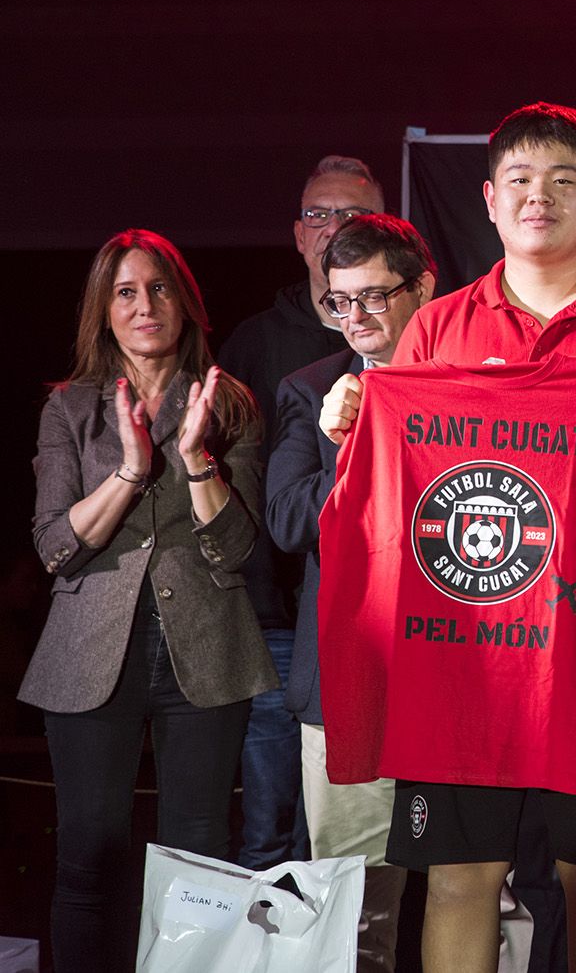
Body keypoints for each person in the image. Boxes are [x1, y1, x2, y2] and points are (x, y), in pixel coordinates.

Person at [318, 101, 576, 973]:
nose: (541, 198)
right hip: (460, 656)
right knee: (460, 881)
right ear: (489, 200)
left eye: (565, 182)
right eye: (522, 181)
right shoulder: (440, 327)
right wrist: (356, 424)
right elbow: (394, 501)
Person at [26, 229, 276, 970]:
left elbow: (236, 550)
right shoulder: (69, 408)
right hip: (89, 653)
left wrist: (195, 459)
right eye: (126, 292)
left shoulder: (229, 401)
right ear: (103, 310)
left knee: (201, 858)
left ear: (187, 302)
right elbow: (55, 547)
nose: (144, 306)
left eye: (160, 288)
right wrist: (132, 470)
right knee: (89, 853)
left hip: (207, 651)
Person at [265, 213, 436, 972]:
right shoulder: (310, 392)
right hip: (347, 690)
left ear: (422, 289)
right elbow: (289, 521)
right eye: (340, 302)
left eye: (374, 297)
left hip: (460, 677)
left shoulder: (472, 385)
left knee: (490, 898)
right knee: (359, 909)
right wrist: (345, 448)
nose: (357, 319)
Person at [220, 154, 386, 870]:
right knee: (273, 834)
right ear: (297, 234)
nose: (334, 228)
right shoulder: (260, 346)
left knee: (366, 848)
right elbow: (238, 491)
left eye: (351, 214)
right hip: (278, 627)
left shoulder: (431, 351)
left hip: (375, 629)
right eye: (319, 214)